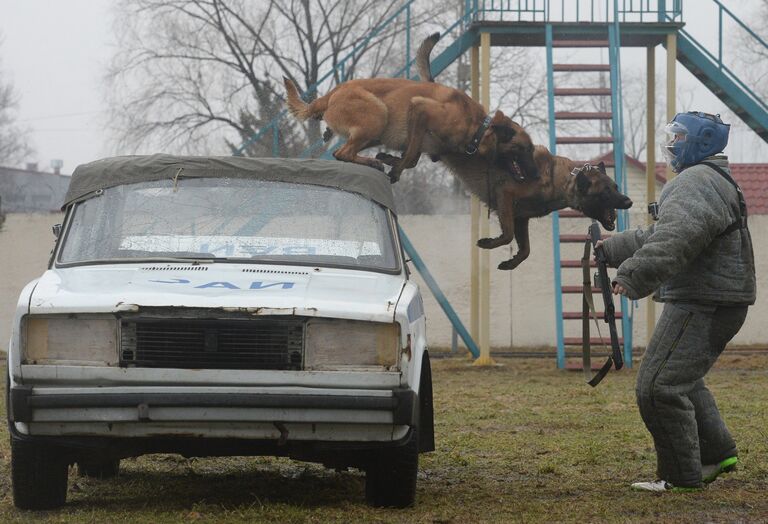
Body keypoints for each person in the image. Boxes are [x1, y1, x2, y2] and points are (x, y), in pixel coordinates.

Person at [598, 111, 756, 492]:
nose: (672, 144)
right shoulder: (708, 180)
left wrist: (632, 275)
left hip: (703, 302)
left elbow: (676, 239)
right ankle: (717, 452)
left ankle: (681, 476)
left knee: (657, 388)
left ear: (700, 141)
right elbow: (666, 232)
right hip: (716, 300)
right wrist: (615, 248)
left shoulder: (697, 181)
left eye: (679, 136)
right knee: (680, 379)